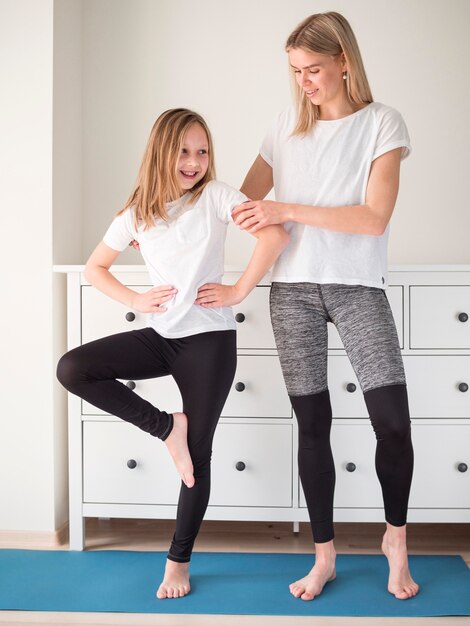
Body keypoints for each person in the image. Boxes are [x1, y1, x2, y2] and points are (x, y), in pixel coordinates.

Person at [56, 108, 289, 600]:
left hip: (208, 343)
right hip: (161, 335)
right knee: (73, 367)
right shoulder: (138, 211)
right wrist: (135, 300)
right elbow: (95, 268)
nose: (194, 161)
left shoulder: (219, 197)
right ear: (162, 151)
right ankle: (167, 427)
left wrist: (238, 290)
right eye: (184, 150)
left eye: (202, 151)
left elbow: (274, 236)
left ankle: (177, 562)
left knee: (195, 460)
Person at [233, 12, 419, 601]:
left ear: (344, 60)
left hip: (356, 285)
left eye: (314, 69)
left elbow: (373, 218)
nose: (305, 81)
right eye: (296, 71)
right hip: (291, 290)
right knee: (313, 425)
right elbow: (242, 200)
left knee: (392, 422)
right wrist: (161, 225)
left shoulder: (382, 124)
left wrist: (289, 209)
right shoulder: (285, 125)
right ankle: (324, 555)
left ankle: (396, 540)